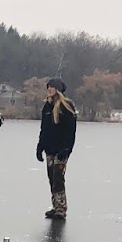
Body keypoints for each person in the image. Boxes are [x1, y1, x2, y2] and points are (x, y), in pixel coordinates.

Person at [36, 78, 77, 219]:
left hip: (62, 149)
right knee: (51, 177)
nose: (49, 90)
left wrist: (66, 148)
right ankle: (55, 205)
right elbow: (44, 129)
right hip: (50, 148)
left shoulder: (66, 106)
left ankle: (61, 207)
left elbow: (71, 130)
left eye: (52, 87)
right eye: (48, 87)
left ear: (58, 89)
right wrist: (40, 146)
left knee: (58, 177)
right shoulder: (47, 107)